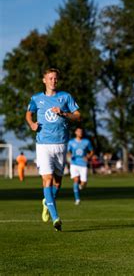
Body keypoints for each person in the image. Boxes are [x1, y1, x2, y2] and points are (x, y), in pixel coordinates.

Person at [25, 68, 80, 231]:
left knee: (58, 182)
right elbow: (28, 113)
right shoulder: (36, 98)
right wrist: (32, 124)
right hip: (43, 144)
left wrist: (63, 113)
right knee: (47, 179)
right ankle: (56, 218)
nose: (53, 81)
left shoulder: (65, 97)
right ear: (44, 80)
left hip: (61, 143)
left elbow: (78, 116)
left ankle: (46, 202)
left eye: (55, 78)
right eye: (50, 78)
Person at [67, 127, 93, 205]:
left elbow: (91, 151)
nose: (80, 133)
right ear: (75, 132)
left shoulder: (86, 142)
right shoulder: (71, 142)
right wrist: (70, 156)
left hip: (83, 164)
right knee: (76, 180)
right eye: (78, 131)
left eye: (81, 131)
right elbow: (68, 151)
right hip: (74, 163)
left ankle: (80, 186)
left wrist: (88, 156)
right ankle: (77, 199)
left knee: (83, 183)